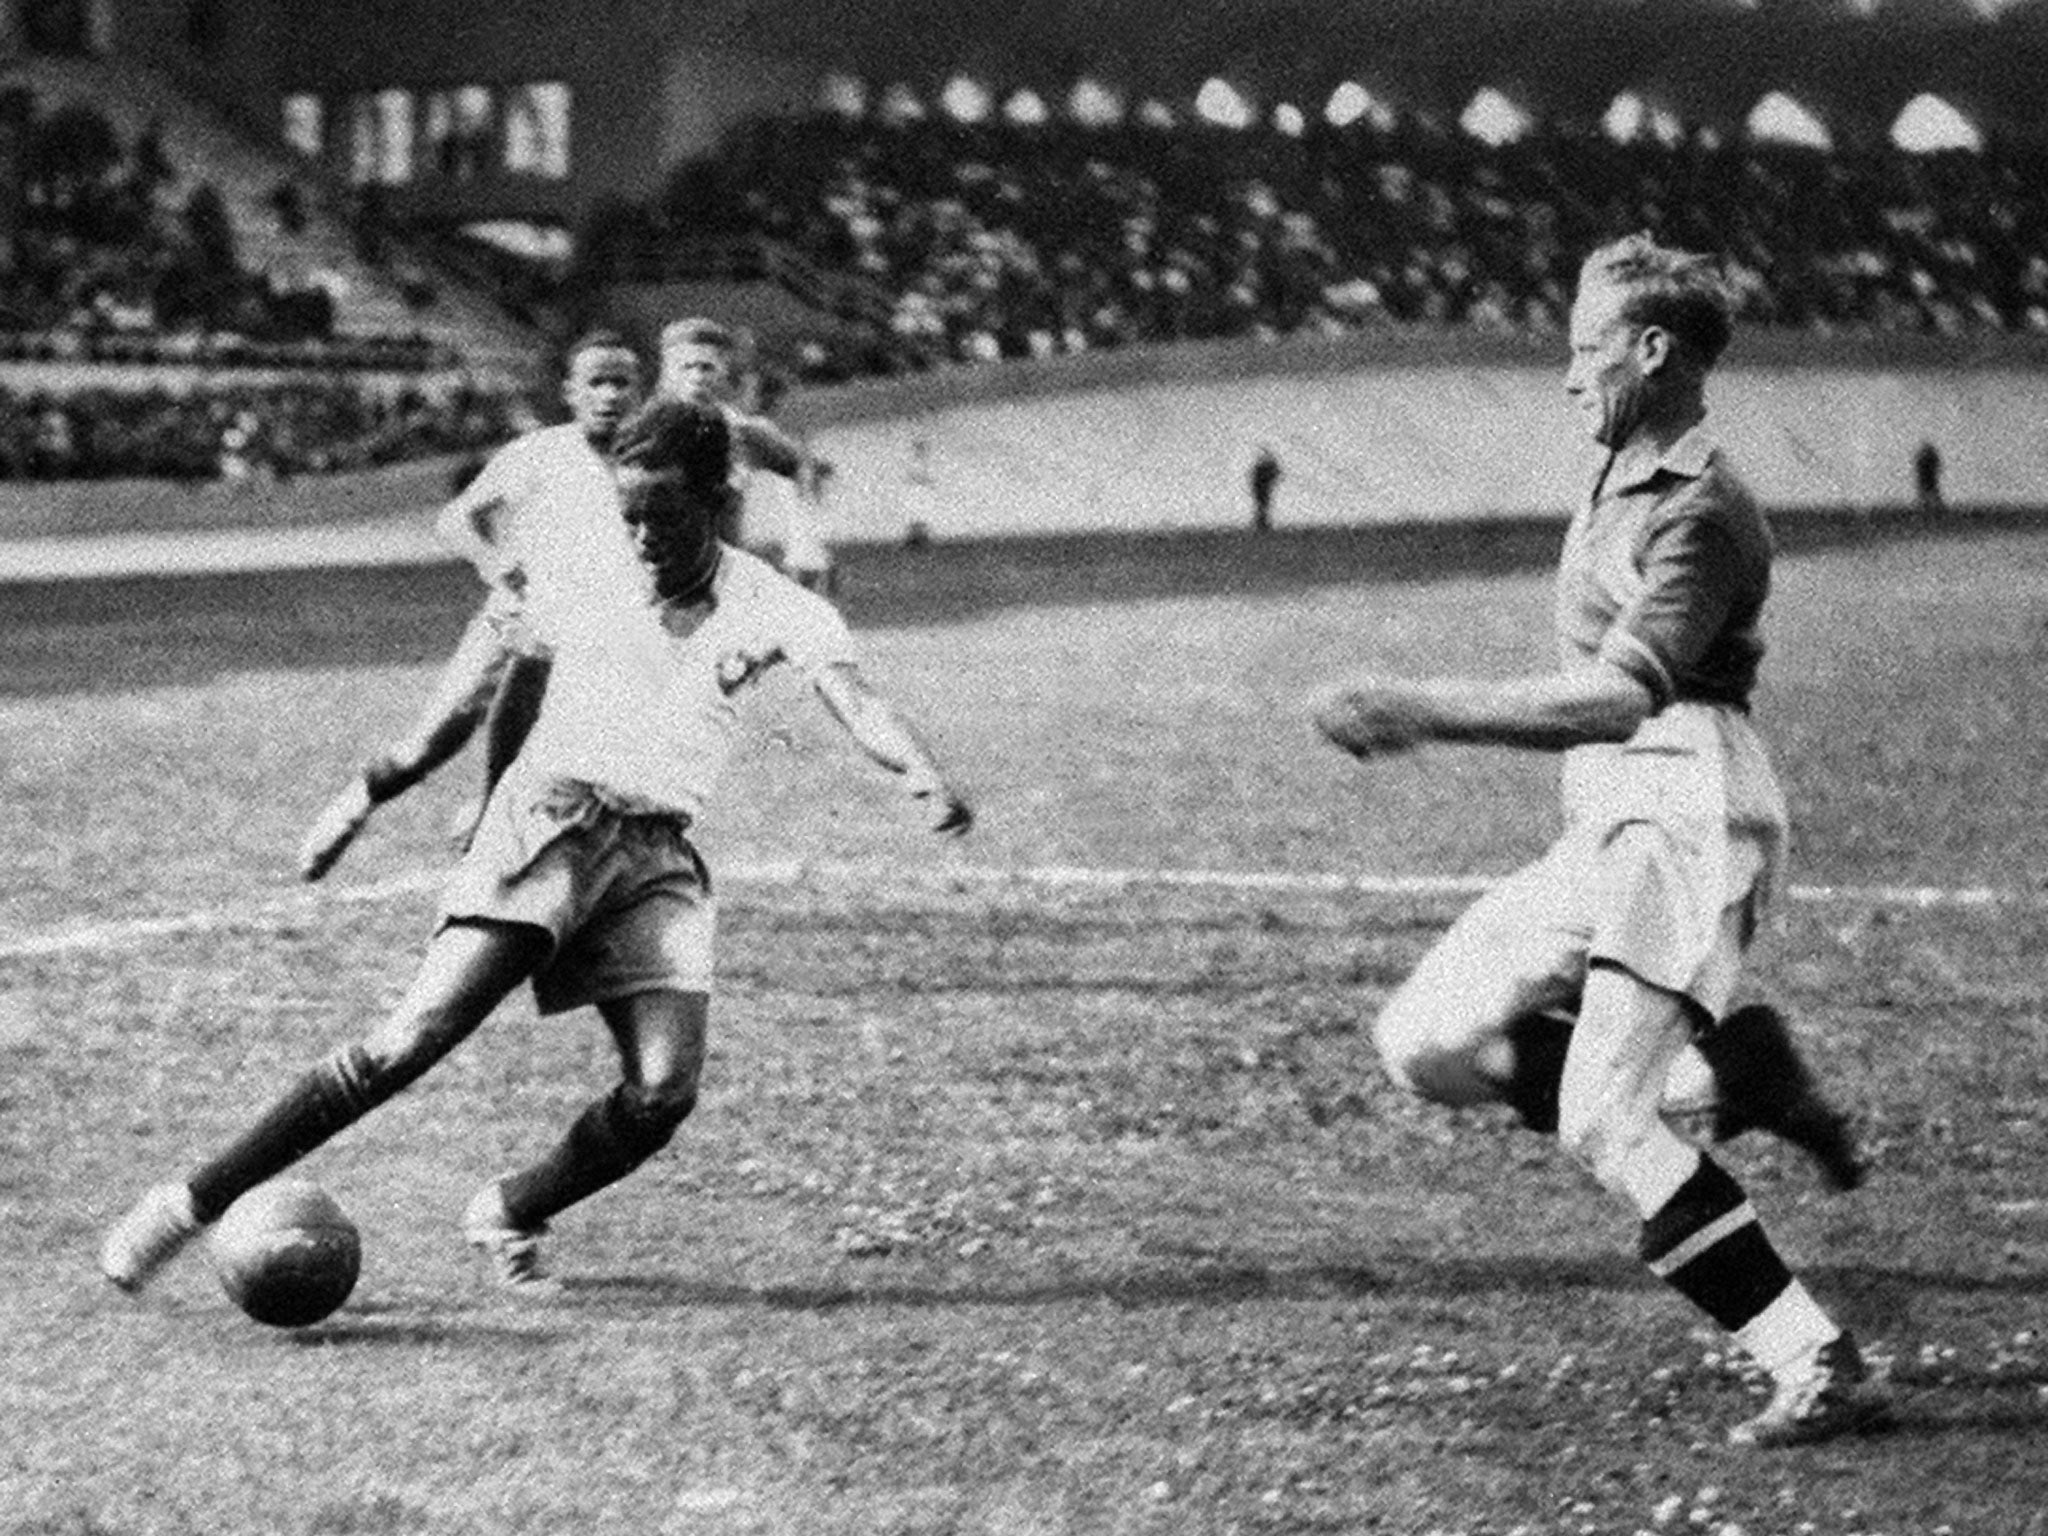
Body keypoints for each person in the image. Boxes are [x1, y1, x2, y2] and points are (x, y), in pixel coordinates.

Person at [100, 396, 974, 1298]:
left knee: (664, 1093)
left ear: (718, 499)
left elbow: (856, 698)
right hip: (550, 821)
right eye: (628, 515)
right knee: (413, 1039)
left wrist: (923, 774)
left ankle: (512, 1208)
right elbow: (512, 686)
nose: (640, 537)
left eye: (662, 517)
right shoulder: (587, 574)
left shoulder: (773, 604)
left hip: (654, 857)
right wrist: (491, 803)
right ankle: (185, 1206)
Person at [1310, 233, 1889, 1449]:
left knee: (1602, 1124)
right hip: (1618, 810)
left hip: (1681, 803)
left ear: (1651, 350)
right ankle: (1723, 1080)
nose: (1567, 377)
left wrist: (1419, 708)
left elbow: (1625, 696)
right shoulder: (1624, 468)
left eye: (1585, 352)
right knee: (1423, 1041)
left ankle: (1813, 1356)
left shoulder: (1703, 511)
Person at [294, 330, 647, 882]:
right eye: (596, 382)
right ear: (570, 392)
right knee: (433, 743)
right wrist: (494, 560)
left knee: (561, 770)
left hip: (585, 645)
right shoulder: (539, 453)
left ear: (639, 392)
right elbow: (455, 519)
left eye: (621, 383)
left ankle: (492, 832)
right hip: (512, 624)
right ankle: (351, 808)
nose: (609, 395)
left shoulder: (645, 469)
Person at [1249, 443, 1281, 533]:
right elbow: (1276, 473)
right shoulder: (1266, 466)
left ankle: (1261, 522)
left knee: (1262, 504)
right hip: (1263, 487)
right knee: (1263, 504)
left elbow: (1254, 477)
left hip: (1262, 487)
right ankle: (1262, 522)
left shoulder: (1262, 467)